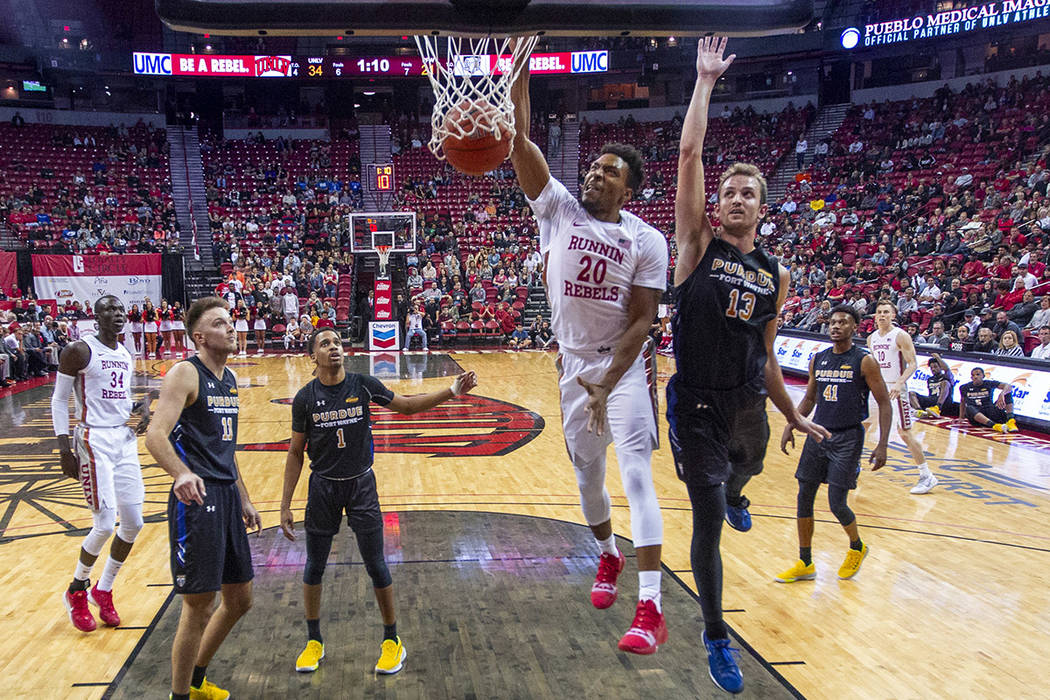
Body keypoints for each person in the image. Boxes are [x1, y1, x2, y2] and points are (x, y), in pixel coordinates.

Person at [669, 36, 829, 693]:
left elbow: (766, 353)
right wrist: (705, 82)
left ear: (762, 208)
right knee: (709, 520)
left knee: (752, 469)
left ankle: (739, 491)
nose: (734, 198)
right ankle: (716, 637)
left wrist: (793, 410)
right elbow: (689, 152)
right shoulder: (694, 243)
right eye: (728, 191)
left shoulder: (775, 274)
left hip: (747, 403)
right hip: (696, 405)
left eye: (746, 193)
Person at [510, 45, 670, 655]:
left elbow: (642, 321)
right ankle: (608, 555)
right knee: (588, 482)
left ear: (628, 188)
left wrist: (611, 379)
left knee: (635, 475)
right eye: (595, 167)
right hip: (573, 364)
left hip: (622, 367)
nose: (596, 174)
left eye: (609, 171)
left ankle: (650, 605)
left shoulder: (646, 239)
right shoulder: (558, 210)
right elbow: (521, 140)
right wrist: (518, 71)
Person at [281, 327, 477, 675]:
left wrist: (452, 390)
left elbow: (406, 407)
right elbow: (296, 452)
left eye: (338, 342)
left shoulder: (362, 384)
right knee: (314, 566)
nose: (334, 348)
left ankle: (392, 640)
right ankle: (314, 641)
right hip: (323, 487)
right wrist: (285, 504)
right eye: (325, 344)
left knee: (376, 564)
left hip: (361, 485)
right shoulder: (305, 398)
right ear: (313, 355)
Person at [145, 297, 262, 700]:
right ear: (199, 336)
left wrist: (243, 497)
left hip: (227, 495)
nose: (231, 328)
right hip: (196, 502)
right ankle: (181, 695)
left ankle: (197, 682)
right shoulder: (184, 373)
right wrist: (181, 474)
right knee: (198, 606)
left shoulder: (228, 379)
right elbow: (155, 435)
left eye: (231, 321)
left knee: (240, 599)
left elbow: (224, 448)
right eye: (220, 323)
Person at [52, 295, 152, 632]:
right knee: (105, 524)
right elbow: (58, 398)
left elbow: (121, 401)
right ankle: (76, 590)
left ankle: (103, 589)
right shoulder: (79, 351)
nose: (117, 315)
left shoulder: (125, 352)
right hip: (92, 440)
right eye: (109, 310)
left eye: (121, 310)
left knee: (134, 522)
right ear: (96, 317)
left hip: (123, 440)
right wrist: (64, 448)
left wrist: (143, 408)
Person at [776, 305, 889, 583]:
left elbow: (885, 402)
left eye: (843, 322)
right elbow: (810, 398)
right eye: (833, 322)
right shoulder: (819, 358)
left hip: (848, 438)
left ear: (855, 328)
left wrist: (882, 444)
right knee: (804, 497)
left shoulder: (864, 361)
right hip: (818, 434)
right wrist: (792, 423)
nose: (836, 326)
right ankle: (805, 562)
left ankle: (857, 546)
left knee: (837, 503)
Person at [866, 300, 937, 495]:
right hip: (878, 388)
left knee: (904, 432)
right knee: (862, 425)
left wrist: (899, 383)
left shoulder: (900, 335)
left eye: (886, 312)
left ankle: (926, 475)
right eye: (879, 312)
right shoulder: (871, 338)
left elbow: (912, 363)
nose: (882, 315)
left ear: (893, 315)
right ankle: (849, 466)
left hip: (896, 390)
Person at [957, 368, 1019, 433]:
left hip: (990, 411)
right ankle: (995, 426)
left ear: (983, 376)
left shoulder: (988, 383)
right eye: (973, 375)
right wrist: (961, 417)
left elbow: (1008, 386)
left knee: (1008, 392)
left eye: (978, 374)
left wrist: (1002, 394)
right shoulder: (964, 387)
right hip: (976, 416)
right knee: (969, 408)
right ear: (971, 377)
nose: (975, 377)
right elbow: (962, 402)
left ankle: (1011, 421)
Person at [910, 354, 955, 418]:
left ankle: (938, 407)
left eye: (935, 367)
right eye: (931, 367)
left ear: (940, 367)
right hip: (932, 400)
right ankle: (920, 411)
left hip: (945, 403)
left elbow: (947, 369)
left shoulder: (947, 376)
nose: (933, 369)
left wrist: (937, 358)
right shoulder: (930, 379)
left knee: (945, 383)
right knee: (911, 393)